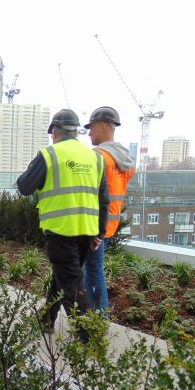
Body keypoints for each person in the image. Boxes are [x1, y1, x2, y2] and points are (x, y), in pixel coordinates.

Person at [17, 109, 109, 340]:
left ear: (54, 133)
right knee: (64, 275)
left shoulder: (50, 155)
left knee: (72, 283)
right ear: (76, 132)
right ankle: (47, 319)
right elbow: (103, 198)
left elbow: (24, 187)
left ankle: (88, 336)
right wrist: (100, 232)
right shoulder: (95, 157)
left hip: (61, 231)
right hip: (87, 232)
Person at [82, 107, 136, 315]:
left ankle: (98, 319)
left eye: (92, 128)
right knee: (94, 270)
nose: (89, 133)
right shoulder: (125, 160)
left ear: (104, 126)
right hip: (110, 223)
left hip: (93, 224)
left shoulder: (99, 157)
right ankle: (95, 317)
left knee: (92, 272)